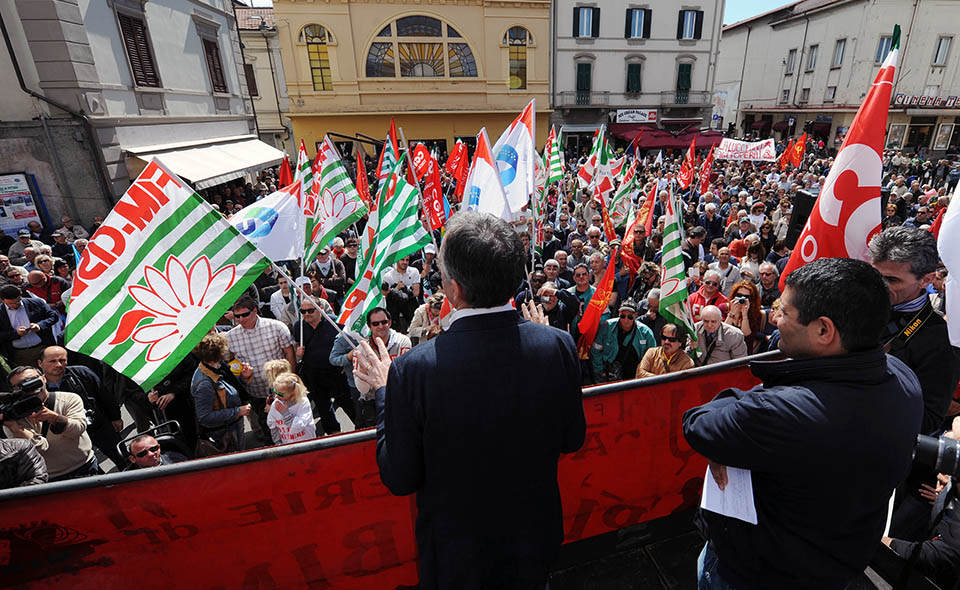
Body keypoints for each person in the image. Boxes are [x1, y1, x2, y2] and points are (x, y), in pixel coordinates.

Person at [355, 210, 586, 589]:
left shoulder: (411, 371)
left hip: (456, 558)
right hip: (534, 540)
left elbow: (399, 476)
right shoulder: (556, 344)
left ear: (453, 288)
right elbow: (571, 438)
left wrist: (385, 392)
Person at [682, 257, 923, 590]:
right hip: (836, 563)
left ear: (824, 330)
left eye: (786, 312)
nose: (775, 319)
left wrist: (737, 420)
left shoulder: (780, 413)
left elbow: (697, 423)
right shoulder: (902, 377)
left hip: (756, 573)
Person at [870, 226, 960, 435]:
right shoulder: (853, 305)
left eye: (892, 280)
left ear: (926, 280)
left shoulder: (940, 340)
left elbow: (928, 419)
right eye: (875, 274)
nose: (877, 285)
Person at [2, 366, 101, 481]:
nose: (28, 386)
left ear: (43, 378)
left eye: (32, 379)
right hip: (53, 478)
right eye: (19, 385)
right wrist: (16, 429)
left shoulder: (69, 399)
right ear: (13, 391)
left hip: (85, 466)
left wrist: (55, 418)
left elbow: (78, 430)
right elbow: (39, 449)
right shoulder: (13, 416)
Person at [224, 296, 296, 443]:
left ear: (255, 311)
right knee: (268, 432)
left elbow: (289, 352)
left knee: (293, 427)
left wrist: (291, 380)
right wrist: (241, 374)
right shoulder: (231, 337)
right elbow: (228, 361)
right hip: (256, 392)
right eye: (237, 316)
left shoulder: (276, 327)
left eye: (245, 315)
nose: (241, 319)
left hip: (283, 390)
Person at [38, 346, 125, 468]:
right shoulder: (38, 388)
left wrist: (115, 417)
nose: (58, 365)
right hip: (70, 437)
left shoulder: (81, 373)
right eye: (52, 361)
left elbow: (104, 395)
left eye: (62, 360)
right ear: (40, 363)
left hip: (99, 427)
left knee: (123, 459)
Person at [294, 297, 353, 434]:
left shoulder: (335, 322)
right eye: (303, 311)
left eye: (310, 310)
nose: (306, 314)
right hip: (314, 375)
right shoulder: (299, 327)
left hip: (337, 373)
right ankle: (333, 432)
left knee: (347, 402)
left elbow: (348, 344)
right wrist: (298, 353)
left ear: (320, 309)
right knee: (323, 407)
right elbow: (297, 347)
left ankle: (362, 429)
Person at [191, 333, 252, 454]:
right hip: (223, 434)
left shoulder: (219, 367)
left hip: (233, 427)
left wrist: (244, 377)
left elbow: (231, 387)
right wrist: (237, 411)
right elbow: (205, 417)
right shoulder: (204, 383)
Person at [591, 298, 656, 383]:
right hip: (609, 375)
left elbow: (653, 358)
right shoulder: (606, 327)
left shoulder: (646, 333)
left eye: (630, 317)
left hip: (635, 377)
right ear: (618, 314)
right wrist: (600, 371)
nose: (626, 320)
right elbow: (595, 350)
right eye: (622, 316)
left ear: (636, 315)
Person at [0, 285, 59, 367]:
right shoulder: (1, 312)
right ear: (2, 300)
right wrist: (16, 334)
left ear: (20, 296)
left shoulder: (36, 303)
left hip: (42, 348)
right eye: (10, 304)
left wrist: (40, 325)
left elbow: (53, 317)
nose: (15, 305)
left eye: (17, 302)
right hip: (19, 354)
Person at [266, 372, 317, 445]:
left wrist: (285, 413)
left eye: (280, 394)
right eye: (275, 391)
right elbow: (272, 424)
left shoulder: (303, 403)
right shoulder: (276, 403)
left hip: (306, 444)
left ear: (293, 392)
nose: (276, 396)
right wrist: (277, 442)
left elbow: (299, 426)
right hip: (287, 445)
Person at [725, 280, 770, 354]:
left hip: (744, 352)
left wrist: (744, 315)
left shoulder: (757, 315)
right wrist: (731, 313)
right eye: (739, 295)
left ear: (752, 299)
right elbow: (724, 331)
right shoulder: (724, 308)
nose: (742, 299)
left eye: (746, 297)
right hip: (726, 350)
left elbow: (747, 335)